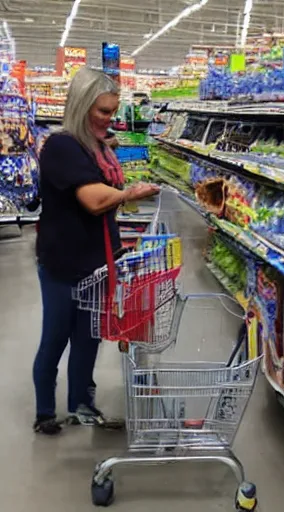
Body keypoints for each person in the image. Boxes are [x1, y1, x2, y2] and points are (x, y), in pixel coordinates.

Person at [33, 68, 159, 435]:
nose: (109, 119)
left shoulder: (98, 148)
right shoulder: (61, 147)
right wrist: (128, 194)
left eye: (112, 112)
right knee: (56, 336)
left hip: (96, 263)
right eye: (102, 111)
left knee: (88, 338)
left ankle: (81, 405)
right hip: (62, 261)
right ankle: (44, 412)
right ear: (82, 106)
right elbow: (92, 200)